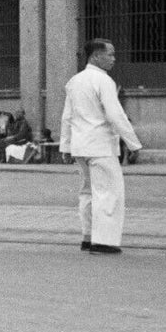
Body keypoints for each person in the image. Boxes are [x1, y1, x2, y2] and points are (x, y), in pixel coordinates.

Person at [60, 38, 144, 254]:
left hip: (81, 146)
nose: (114, 59)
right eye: (110, 54)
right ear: (96, 56)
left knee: (87, 192)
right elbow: (116, 114)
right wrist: (133, 143)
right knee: (108, 192)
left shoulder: (74, 81)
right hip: (101, 145)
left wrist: (66, 146)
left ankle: (87, 237)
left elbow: (67, 117)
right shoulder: (103, 81)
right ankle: (103, 241)